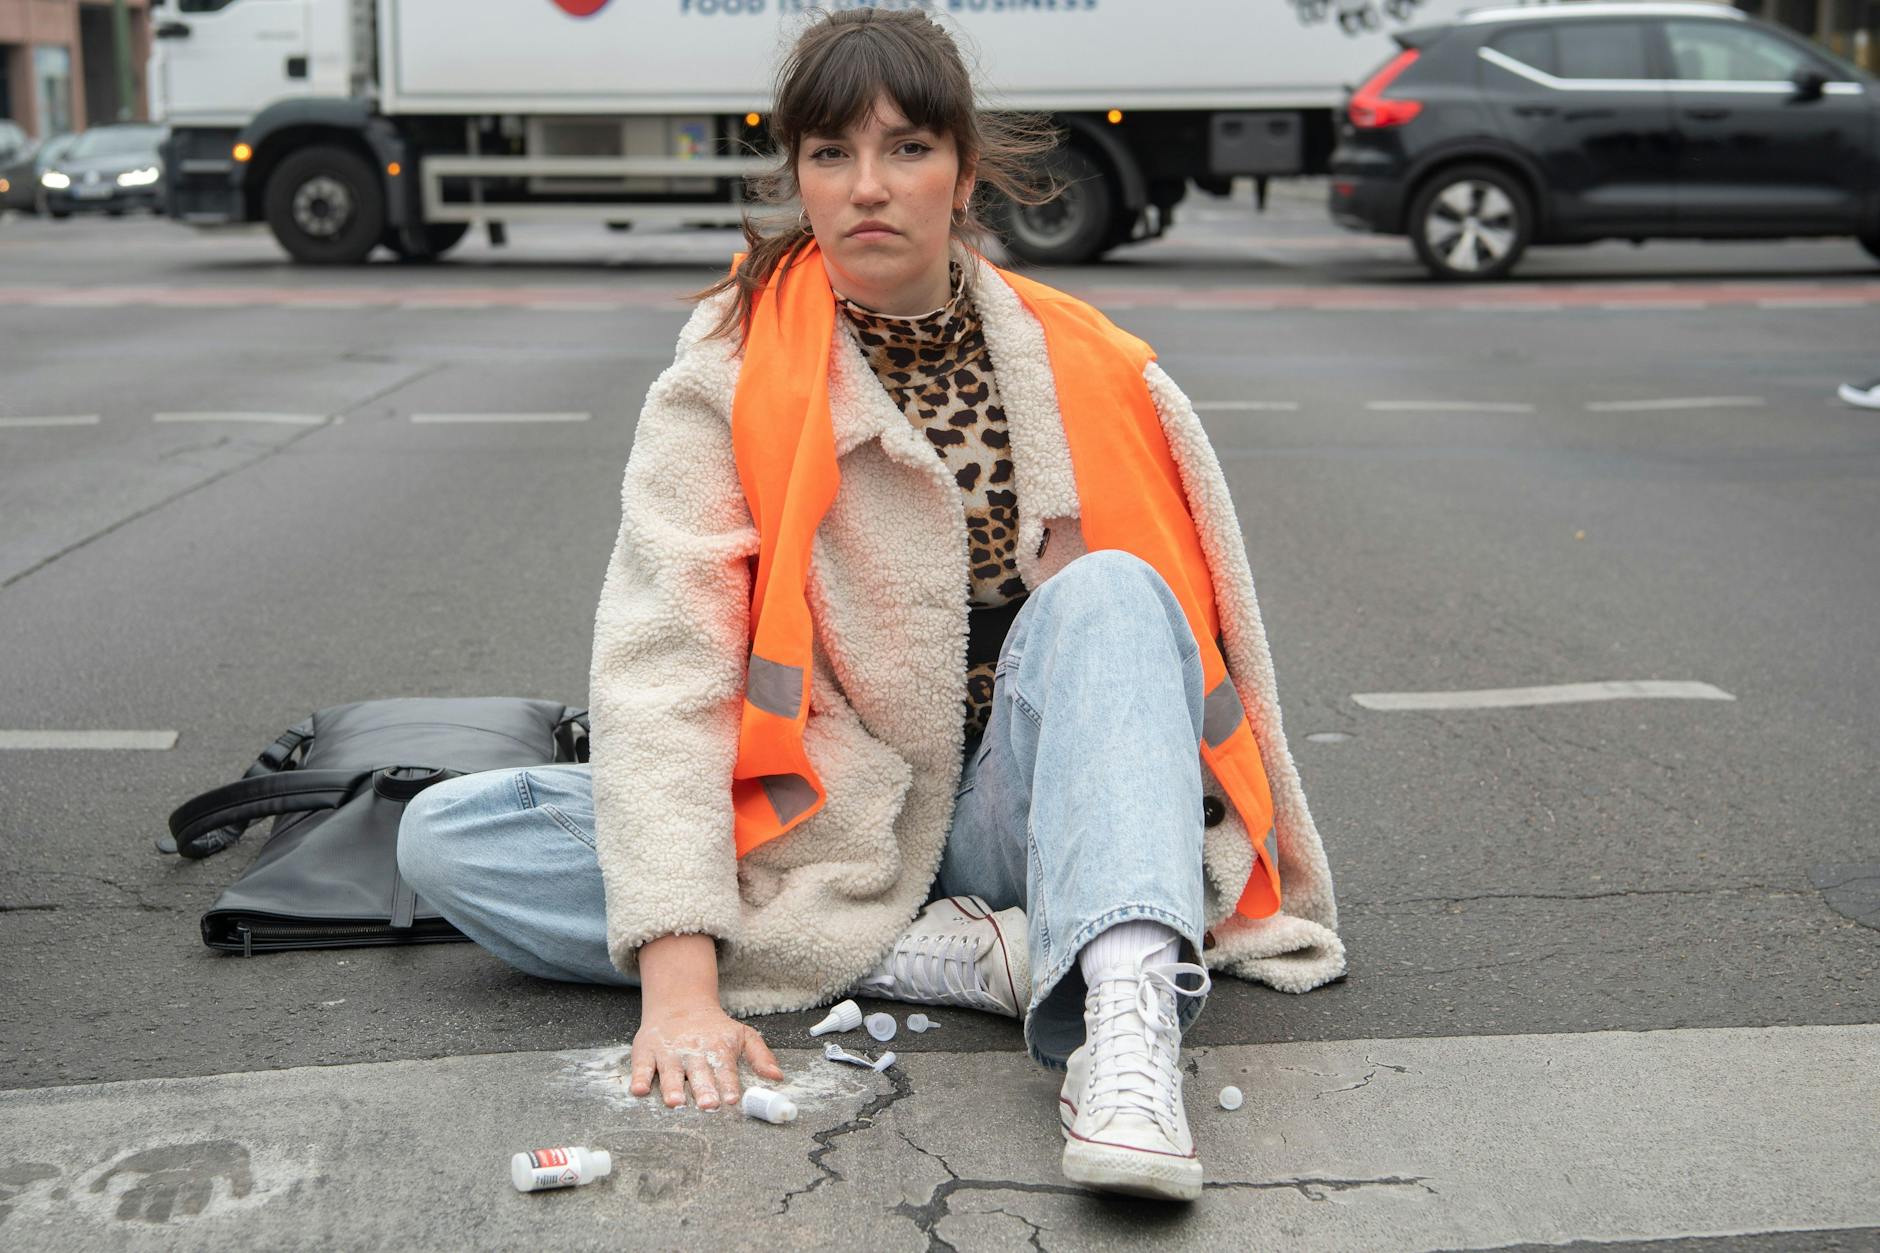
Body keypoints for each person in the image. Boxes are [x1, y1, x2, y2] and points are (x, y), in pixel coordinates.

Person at [396, 8, 1344, 1203]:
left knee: (1109, 590)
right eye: (830, 154)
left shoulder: (1090, 363)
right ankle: (966, 952)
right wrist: (677, 982)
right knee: (448, 836)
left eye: (905, 148)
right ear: (795, 174)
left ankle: (1119, 1031)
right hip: (828, 822)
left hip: (1032, 805)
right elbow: (666, 666)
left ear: (963, 168)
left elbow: (1214, 656)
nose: (866, 187)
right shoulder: (726, 377)